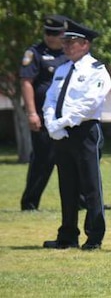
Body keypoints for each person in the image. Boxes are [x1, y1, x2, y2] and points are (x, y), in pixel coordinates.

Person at [42, 19, 111, 250]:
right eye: (66, 42)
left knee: (90, 185)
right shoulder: (62, 69)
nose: (67, 46)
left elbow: (90, 103)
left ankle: (94, 235)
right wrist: (51, 122)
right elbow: (51, 98)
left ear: (85, 45)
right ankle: (68, 234)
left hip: (84, 131)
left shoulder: (96, 70)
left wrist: (63, 121)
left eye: (72, 42)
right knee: (67, 184)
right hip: (62, 133)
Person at [20, 15, 69, 211]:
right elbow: (26, 82)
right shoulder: (35, 53)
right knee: (42, 160)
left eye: (55, 33)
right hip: (43, 117)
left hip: (67, 118)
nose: (50, 37)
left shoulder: (70, 54)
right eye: (47, 33)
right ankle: (30, 202)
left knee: (75, 160)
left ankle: (84, 200)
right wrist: (32, 113)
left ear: (63, 34)